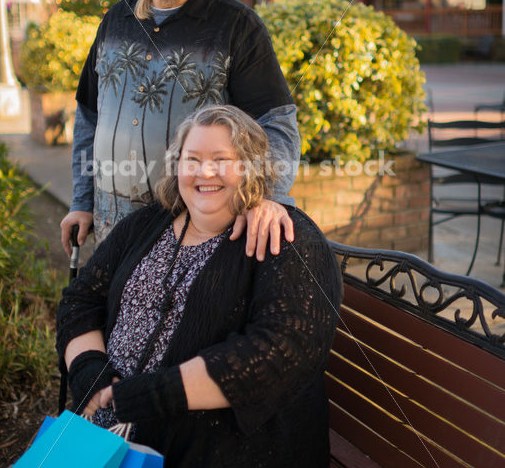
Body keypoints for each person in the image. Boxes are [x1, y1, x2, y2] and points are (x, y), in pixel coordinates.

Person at [57, 105, 342, 468]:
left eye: (221, 159)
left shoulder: (286, 239)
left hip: (212, 450)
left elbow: (279, 352)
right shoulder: (147, 224)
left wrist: (148, 396)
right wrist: (90, 374)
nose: (204, 171)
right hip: (108, 438)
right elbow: (80, 300)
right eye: (192, 159)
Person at [60, 0, 301, 261]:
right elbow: (88, 118)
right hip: (111, 238)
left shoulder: (237, 26)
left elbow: (277, 125)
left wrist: (268, 199)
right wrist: (82, 201)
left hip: (195, 243)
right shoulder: (113, 21)